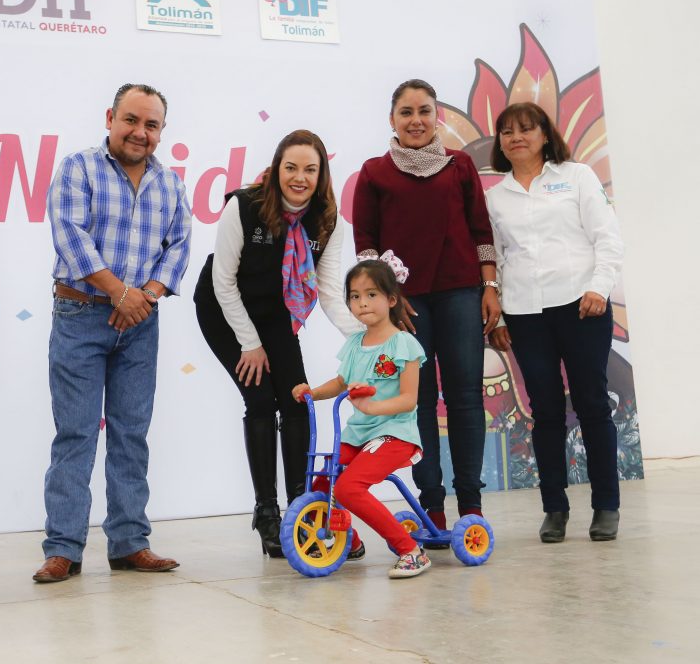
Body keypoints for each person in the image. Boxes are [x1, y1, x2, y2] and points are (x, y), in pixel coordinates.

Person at [34, 83, 192, 583]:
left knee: (131, 434)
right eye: (131, 120)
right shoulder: (77, 168)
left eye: (151, 125)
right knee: (76, 434)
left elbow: (180, 246)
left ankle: (129, 543)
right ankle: (63, 549)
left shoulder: (170, 184)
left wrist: (141, 295)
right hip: (80, 316)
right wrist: (119, 293)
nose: (139, 132)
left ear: (161, 131)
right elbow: (70, 235)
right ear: (110, 117)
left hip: (140, 325)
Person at [193, 129, 358, 557]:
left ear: (322, 174)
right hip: (224, 311)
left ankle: (301, 511)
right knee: (262, 400)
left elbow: (327, 291)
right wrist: (250, 343)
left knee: (298, 400)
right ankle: (266, 512)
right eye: (291, 168)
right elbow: (222, 281)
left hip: (277, 315)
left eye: (310, 169)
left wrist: (367, 338)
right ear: (277, 168)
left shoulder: (329, 220)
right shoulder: (244, 206)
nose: (299, 178)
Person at [351, 78, 500, 535]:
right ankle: (430, 507)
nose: (416, 120)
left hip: (460, 294)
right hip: (406, 306)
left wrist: (489, 286)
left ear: (437, 117)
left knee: (466, 398)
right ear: (391, 120)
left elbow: (480, 230)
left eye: (425, 111)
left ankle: (471, 505)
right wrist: (388, 305)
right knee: (415, 403)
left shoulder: (459, 166)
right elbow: (366, 245)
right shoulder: (374, 172)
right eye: (406, 112)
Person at [486, 102, 624, 543]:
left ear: (545, 135)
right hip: (526, 314)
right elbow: (498, 260)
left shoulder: (577, 176)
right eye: (507, 132)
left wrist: (599, 288)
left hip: (583, 305)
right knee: (544, 411)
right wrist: (502, 313)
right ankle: (555, 509)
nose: (516, 138)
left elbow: (607, 237)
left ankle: (606, 506)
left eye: (526, 129)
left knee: (592, 403)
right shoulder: (495, 196)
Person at [292, 259, 429, 578]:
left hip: (395, 436)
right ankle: (348, 541)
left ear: (391, 300)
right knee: (323, 483)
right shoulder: (354, 343)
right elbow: (341, 383)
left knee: (350, 487)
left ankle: (411, 551)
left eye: (371, 294)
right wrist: (311, 391)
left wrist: (372, 408)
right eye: (354, 296)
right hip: (359, 435)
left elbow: (409, 399)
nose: (362, 302)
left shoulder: (404, 344)